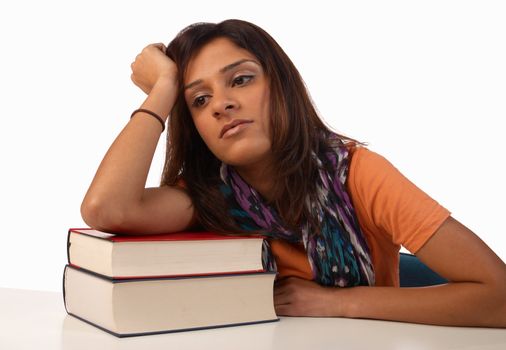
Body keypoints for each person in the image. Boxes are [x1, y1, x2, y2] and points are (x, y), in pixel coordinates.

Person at [80, 19, 506, 328]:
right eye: (199, 99)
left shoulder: (357, 174)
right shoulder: (206, 198)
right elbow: (106, 207)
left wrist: (338, 304)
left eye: (241, 80)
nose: (221, 104)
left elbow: (499, 298)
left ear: (282, 87)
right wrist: (164, 88)